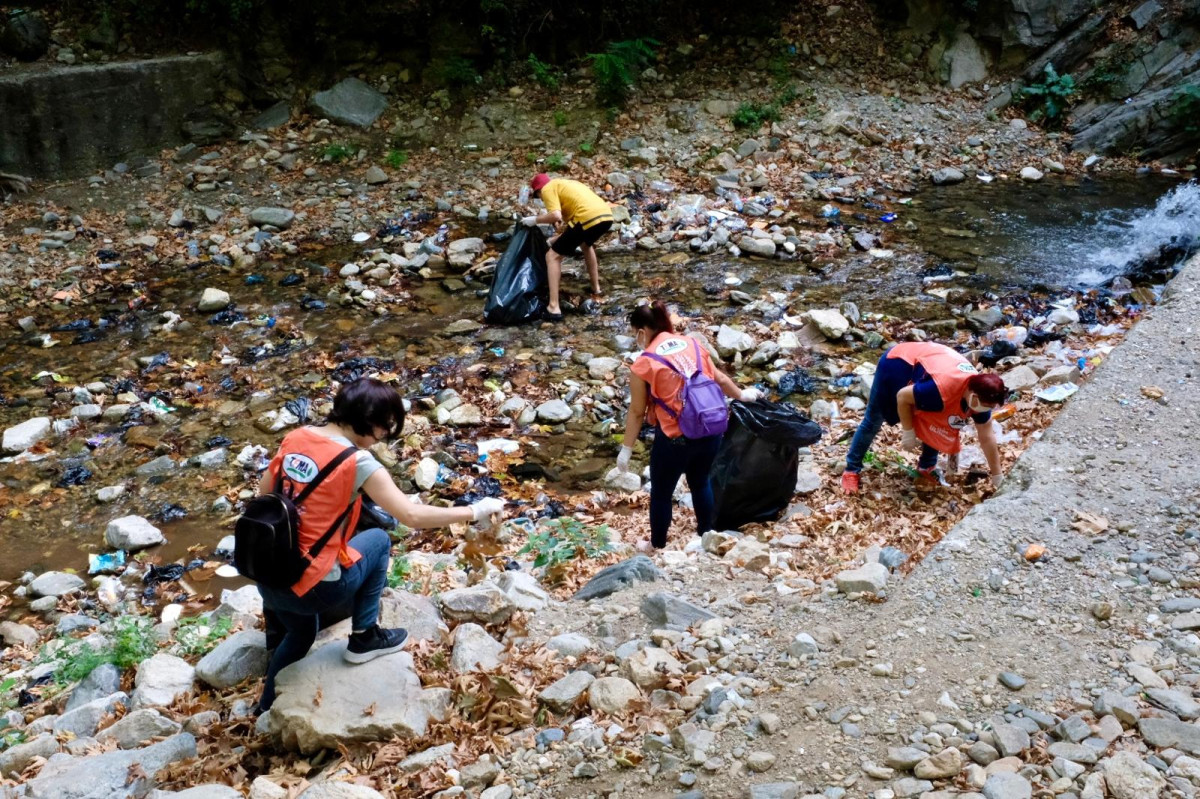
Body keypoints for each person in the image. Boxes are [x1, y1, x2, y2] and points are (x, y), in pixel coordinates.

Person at [253, 378, 505, 712]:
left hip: (269, 578)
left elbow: (263, 497)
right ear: (369, 422)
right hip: (314, 589)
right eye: (385, 429)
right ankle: (365, 637)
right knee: (379, 539)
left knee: (301, 632)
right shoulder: (358, 463)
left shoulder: (294, 438)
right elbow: (410, 515)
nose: (383, 437)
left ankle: (265, 707)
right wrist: (475, 510)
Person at [616, 301, 762, 551]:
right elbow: (721, 379)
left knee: (662, 493)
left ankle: (657, 546)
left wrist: (626, 449)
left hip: (676, 438)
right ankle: (707, 534)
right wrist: (743, 395)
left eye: (634, 333)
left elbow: (637, 412)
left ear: (641, 332)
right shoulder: (693, 345)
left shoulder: (644, 363)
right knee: (701, 481)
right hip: (710, 429)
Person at [841, 341, 1008, 494]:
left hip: (931, 364)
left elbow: (987, 437)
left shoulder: (983, 399)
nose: (985, 410)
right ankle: (851, 470)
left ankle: (926, 466)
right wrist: (908, 431)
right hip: (898, 364)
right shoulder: (941, 388)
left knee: (939, 417)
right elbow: (902, 397)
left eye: (990, 407)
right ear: (973, 394)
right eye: (985, 406)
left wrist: (997, 475)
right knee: (874, 419)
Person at [521, 173, 614, 321]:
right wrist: (554, 239)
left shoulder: (547, 189)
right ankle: (596, 288)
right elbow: (574, 231)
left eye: (539, 197)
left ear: (539, 190)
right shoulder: (566, 183)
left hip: (587, 217)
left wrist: (534, 220)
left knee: (552, 256)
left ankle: (553, 307)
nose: (542, 199)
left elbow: (556, 215)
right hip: (606, 216)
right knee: (586, 244)